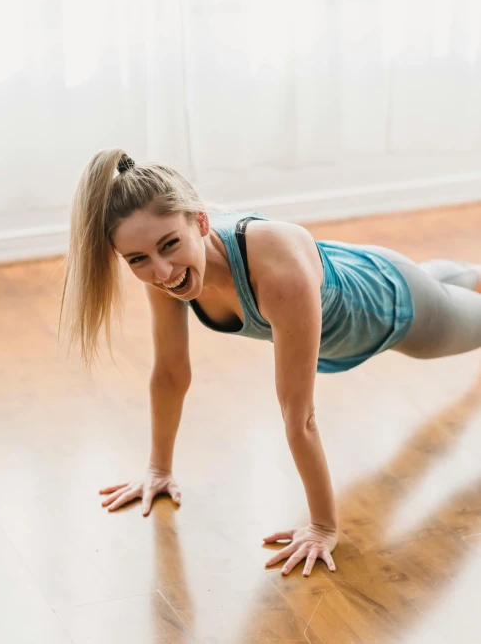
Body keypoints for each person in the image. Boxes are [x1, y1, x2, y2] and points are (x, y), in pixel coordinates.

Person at [59, 149, 481, 578]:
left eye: (170, 245)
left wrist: (322, 527)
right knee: (449, 282)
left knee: (460, 311)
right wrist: (158, 470)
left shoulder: (277, 274)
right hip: (363, 270)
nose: (162, 271)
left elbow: (299, 416)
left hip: (395, 310)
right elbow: (169, 373)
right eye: (138, 260)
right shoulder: (165, 268)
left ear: (200, 222)